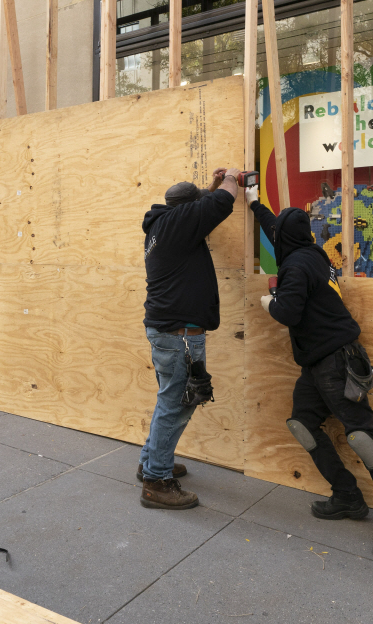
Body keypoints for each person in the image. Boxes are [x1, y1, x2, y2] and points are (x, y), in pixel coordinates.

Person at [247, 185, 373, 560]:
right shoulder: (310, 254)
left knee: (363, 439)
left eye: (277, 237)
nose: (276, 239)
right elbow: (278, 228)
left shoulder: (298, 264)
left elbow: (287, 312)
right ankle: (348, 497)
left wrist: (269, 301)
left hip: (337, 362)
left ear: (285, 241)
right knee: (302, 424)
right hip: (317, 364)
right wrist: (254, 199)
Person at [139, 167, 239, 510]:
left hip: (168, 332)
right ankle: (157, 481)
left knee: (168, 400)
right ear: (186, 210)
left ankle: (151, 460)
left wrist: (208, 186)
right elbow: (221, 202)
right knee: (177, 404)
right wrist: (232, 178)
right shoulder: (177, 225)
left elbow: (202, 204)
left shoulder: (163, 224)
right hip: (179, 336)